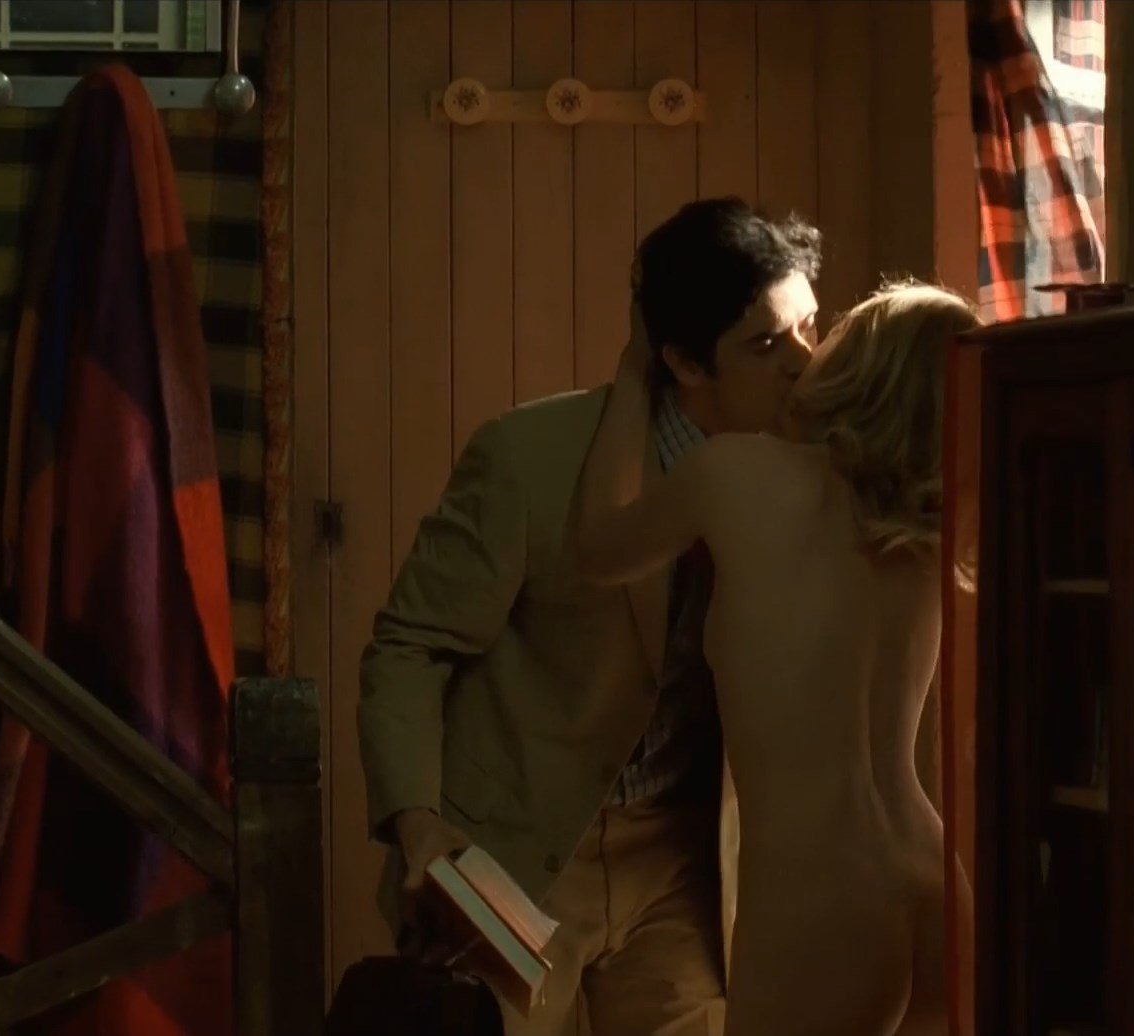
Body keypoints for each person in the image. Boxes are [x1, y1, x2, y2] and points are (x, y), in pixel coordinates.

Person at [358, 197, 823, 1036]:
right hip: (521, 851)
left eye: (808, 326)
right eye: (764, 345)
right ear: (683, 362)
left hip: (682, 864)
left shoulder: (807, 477)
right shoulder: (529, 458)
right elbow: (411, 647)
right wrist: (418, 824)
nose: (803, 363)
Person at [567, 281, 980, 1036]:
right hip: (934, 877)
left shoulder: (735, 474)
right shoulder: (921, 528)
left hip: (819, 900)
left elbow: (596, 549)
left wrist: (633, 373)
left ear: (854, 366)